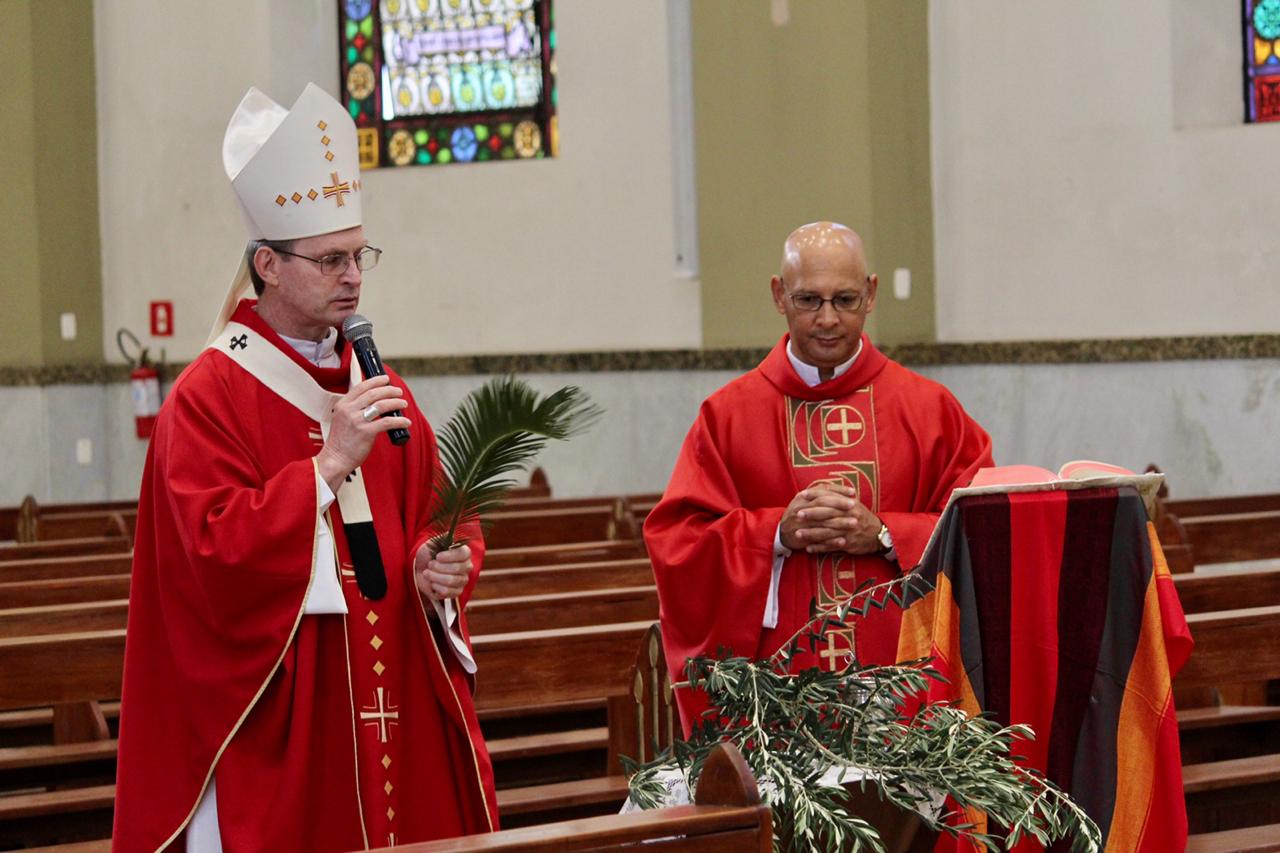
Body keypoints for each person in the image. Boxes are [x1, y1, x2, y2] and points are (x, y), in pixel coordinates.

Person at [113, 83, 497, 852]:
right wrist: (324, 468)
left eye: (360, 256)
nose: (353, 276)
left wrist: (437, 561)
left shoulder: (375, 385)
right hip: (289, 719)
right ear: (268, 264)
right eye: (330, 260)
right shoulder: (207, 397)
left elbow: (435, 510)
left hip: (393, 698)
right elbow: (209, 557)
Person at [643, 221, 994, 733]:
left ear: (871, 294)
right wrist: (776, 536)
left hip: (905, 698)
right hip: (774, 702)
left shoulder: (930, 411)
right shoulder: (728, 417)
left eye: (845, 299)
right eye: (809, 299)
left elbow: (980, 531)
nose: (828, 320)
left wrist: (885, 534)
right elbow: (679, 545)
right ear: (778, 295)